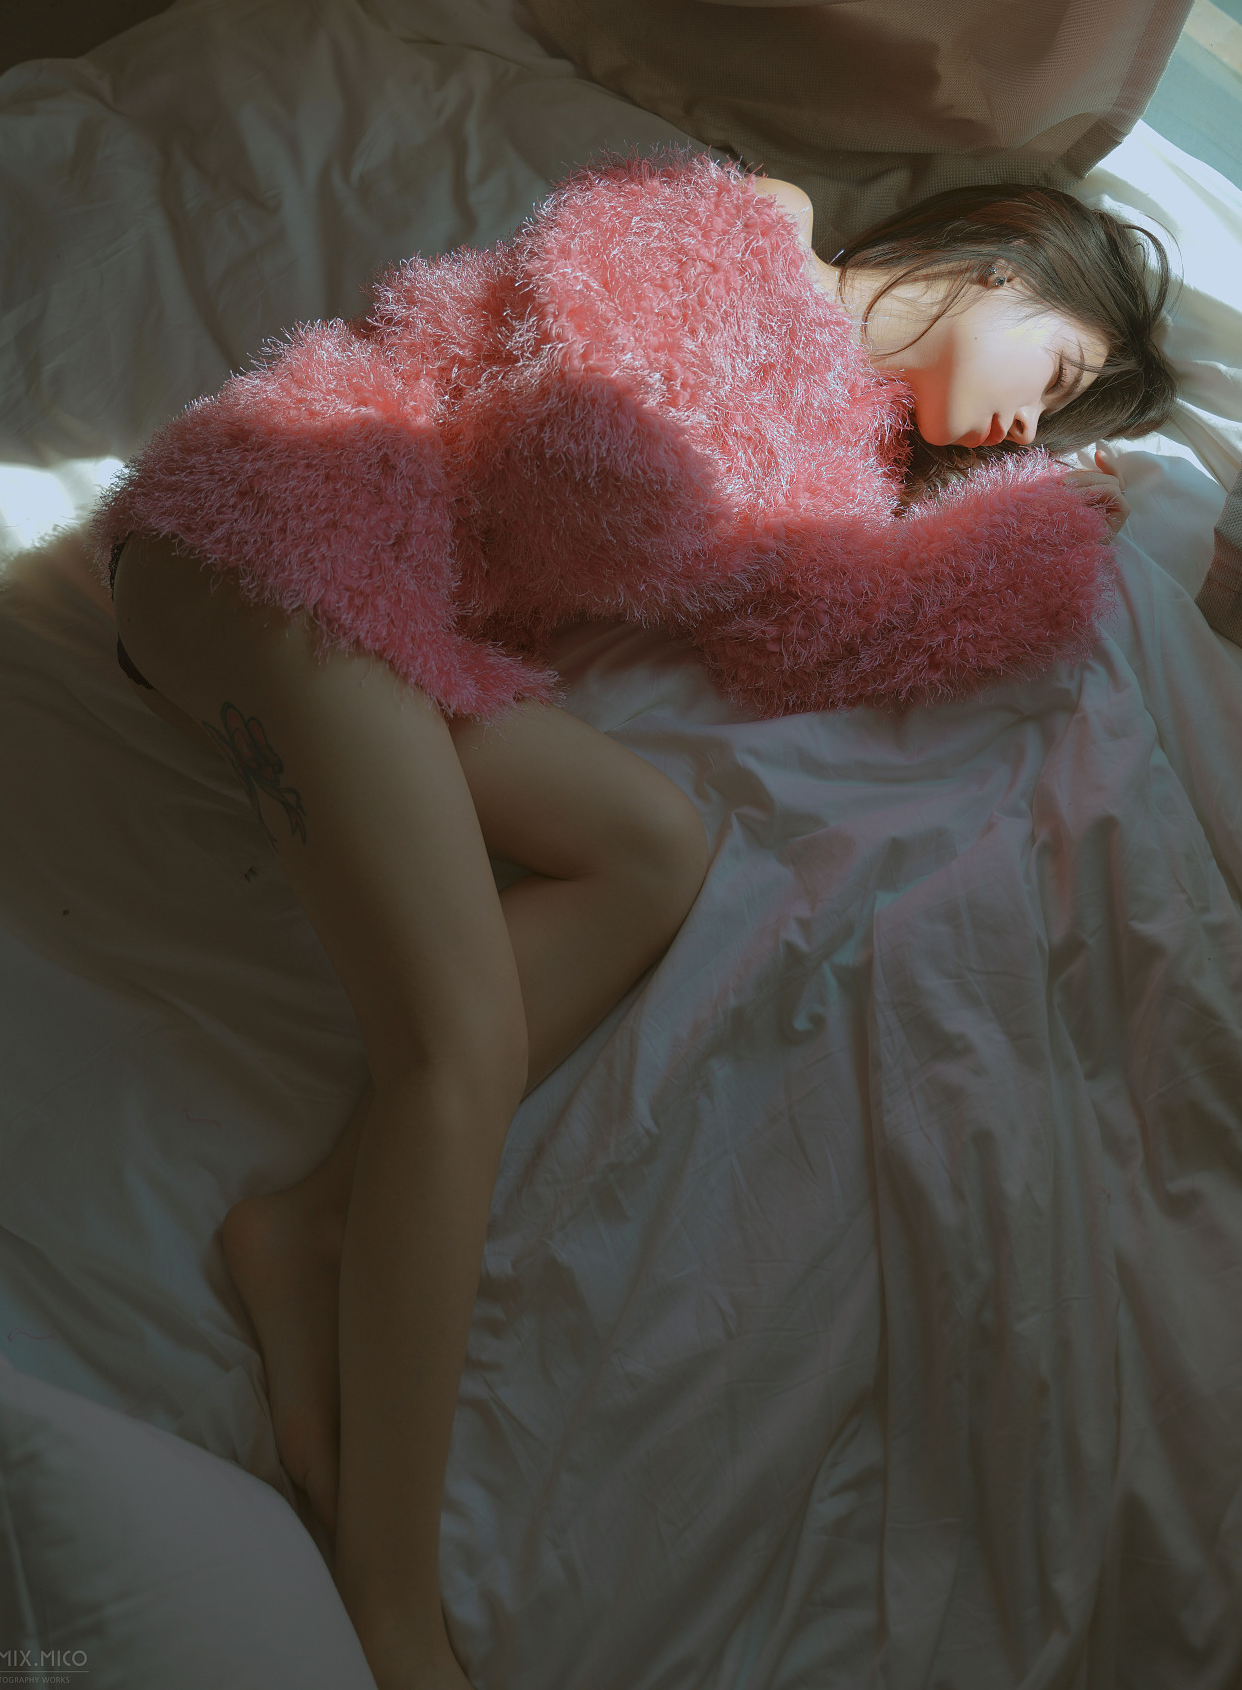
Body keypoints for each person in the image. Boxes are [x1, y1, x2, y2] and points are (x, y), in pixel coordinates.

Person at [103, 160, 1172, 1690]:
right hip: (294, 511)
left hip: (396, 624)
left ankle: (311, 1227)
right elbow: (585, 447)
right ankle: (392, 1603)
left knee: (654, 849)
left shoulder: (845, 448)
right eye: (1055, 378)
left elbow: (816, 629)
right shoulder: (760, 223)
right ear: (1007, 260)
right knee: (458, 1046)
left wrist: (1038, 527)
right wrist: (756, 497)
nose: (1026, 427)